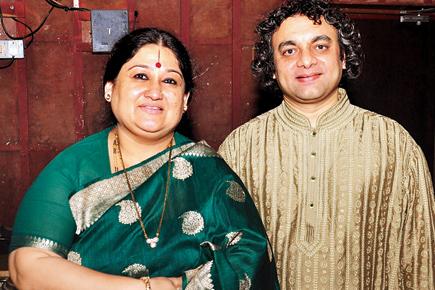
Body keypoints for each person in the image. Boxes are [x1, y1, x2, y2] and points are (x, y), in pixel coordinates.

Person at [8, 27, 279, 290]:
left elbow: (249, 258)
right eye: (140, 76)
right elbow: (27, 266)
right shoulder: (72, 168)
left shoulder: (209, 172)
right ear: (109, 89)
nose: (155, 91)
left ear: (185, 100)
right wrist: (150, 287)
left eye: (170, 80)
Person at [218, 0, 435, 289]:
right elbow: (219, 263)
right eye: (289, 50)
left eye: (320, 46)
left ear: (343, 57)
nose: (305, 60)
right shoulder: (239, 149)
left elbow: (418, 260)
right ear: (272, 67)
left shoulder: (394, 144)